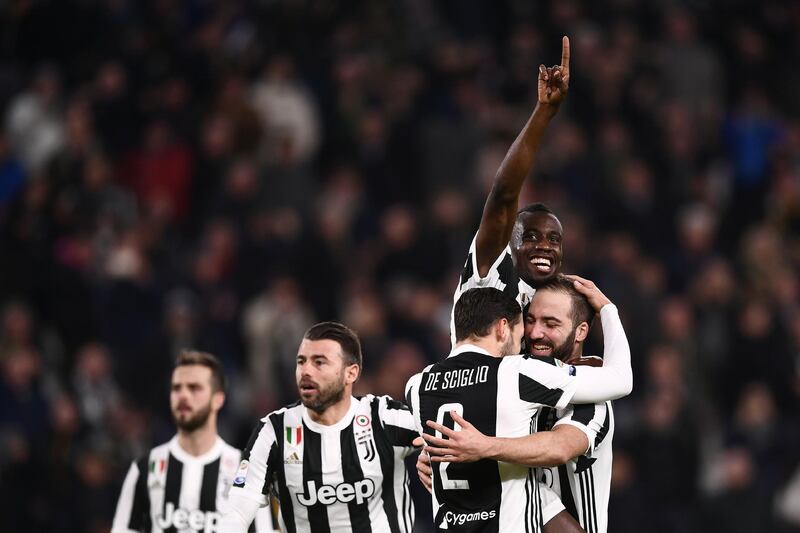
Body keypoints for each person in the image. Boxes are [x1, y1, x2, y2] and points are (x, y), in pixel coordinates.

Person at [406, 283, 631, 532]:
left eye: (551, 323)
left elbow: (560, 447)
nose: (533, 334)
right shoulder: (516, 375)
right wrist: (438, 456)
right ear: (503, 327)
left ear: (580, 331)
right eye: (529, 323)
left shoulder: (417, 385)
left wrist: (470, 450)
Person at [219, 321, 419, 533]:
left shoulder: (382, 417)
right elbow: (238, 512)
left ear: (350, 373)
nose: (305, 371)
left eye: (319, 362)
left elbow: (448, 435)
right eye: (301, 362)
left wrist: (440, 456)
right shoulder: (274, 432)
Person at [450, 36, 570, 343]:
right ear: (509, 244)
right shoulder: (490, 268)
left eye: (553, 239)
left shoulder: (550, 309)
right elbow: (504, 192)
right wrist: (544, 113)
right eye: (530, 236)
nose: (545, 246)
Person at [112, 350, 277, 532]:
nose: (183, 395)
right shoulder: (145, 469)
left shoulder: (246, 474)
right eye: (176, 388)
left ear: (218, 399)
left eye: (194, 388)